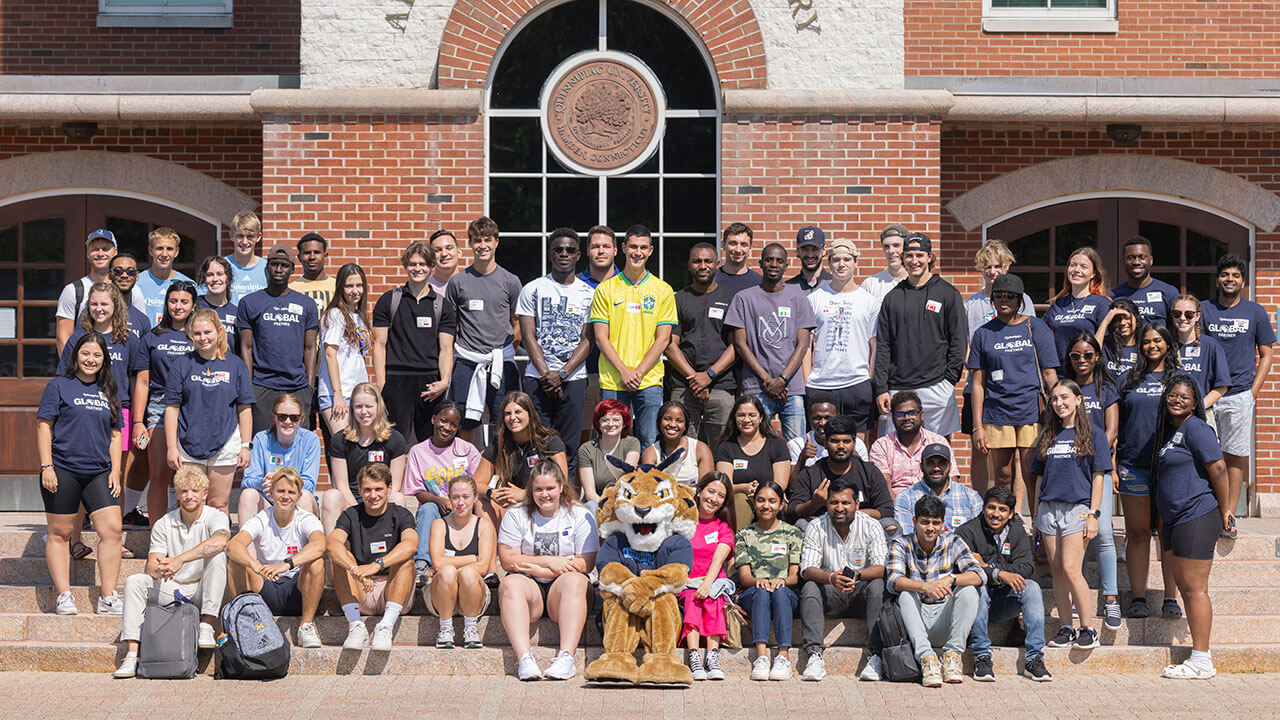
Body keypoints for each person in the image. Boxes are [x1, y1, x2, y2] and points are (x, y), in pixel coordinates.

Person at [112, 466, 229, 678]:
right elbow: (151, 567)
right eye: (183, 491)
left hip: (205, 587)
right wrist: (161, 568)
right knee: (135, 581)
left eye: (195, 491)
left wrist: (178, 560)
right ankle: (131, 655)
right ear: (177, 495)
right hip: (174, 587)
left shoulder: (216, 517)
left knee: (218, 554)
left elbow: (220, 541)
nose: (189, 496)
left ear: (205, 494)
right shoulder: (164, 523)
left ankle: (207, 625)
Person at [1150, 375, 1231, 679]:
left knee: (1195, 589)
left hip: (1196, 514)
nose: (1177, 400)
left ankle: (1202, 660)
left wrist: (1226, 511)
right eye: (1172, 395)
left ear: (1195, 402)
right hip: (1174, 519)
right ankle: (1198, 657)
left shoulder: (1196, 428)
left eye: (1184, 397)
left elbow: (1219, 468)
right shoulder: (1172, 432)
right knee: (1186, 587)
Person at [37, 332, 124, 616]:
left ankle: (108, 596)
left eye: (97, 355)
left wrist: (116, 471)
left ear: (104, 360)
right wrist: (46, 466)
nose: (91, 359)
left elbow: (114, 436)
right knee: (60, 533)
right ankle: (64, 594)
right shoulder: (59, 386)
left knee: (112, 530)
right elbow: (44, 427)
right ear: (76, 356)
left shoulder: (109, 389)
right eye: (86, 353)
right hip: (62, 469)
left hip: (98, 471)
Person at [497, 459, 598, 681]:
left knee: (576, 580)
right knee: (510, 583)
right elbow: (507, 561)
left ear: (561, 486)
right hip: (529, 587)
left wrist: (535, 566)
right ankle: (524, 658)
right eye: (538, 489)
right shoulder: (516, 514)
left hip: (563, 591)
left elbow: (584, 564)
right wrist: (550, 563)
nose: (545, 495)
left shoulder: (580, 514)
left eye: (550, 488)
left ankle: (566, 657)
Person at [967, 273, 1059, 508]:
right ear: (992, 299)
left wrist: (1061, 410)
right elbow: (977, 383)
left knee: (1031, 473)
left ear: (1020, 299)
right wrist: (977, 427)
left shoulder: (1035, 326)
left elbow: (1049, 374)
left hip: (1031, 410)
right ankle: (1005, 524)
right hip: (997, 412)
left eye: (1010, 296)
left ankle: (1038, 527)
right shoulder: (983, 333)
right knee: (1003, 475)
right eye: (999, 295)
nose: (1004, 300)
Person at [1030, 380, 1109, 652]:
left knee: (1072, 568)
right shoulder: (1047, 435)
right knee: (1057, 571)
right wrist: (1036, 515)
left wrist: (1093, 514)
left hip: (1077, 507)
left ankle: (1088, 628)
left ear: (1078, 400)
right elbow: (1039, 478)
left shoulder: (1094, 434)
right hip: (1049, 509)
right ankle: (1066, 627)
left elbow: (1098, 477)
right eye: (1054, 399)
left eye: (1064, 397)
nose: (1059, 403)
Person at [1201, 253, 1275, 539]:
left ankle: (1229, 515)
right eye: (1225, 274)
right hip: (1207, 395)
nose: (1229, 279)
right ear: (1217, 278)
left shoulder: (1255, 311)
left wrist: (1253, 392)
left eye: (1235, 275)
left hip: (1239, 394)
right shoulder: (1205, 310)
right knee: (1204, 454)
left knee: (1234, 455)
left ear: (1243, 281)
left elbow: (1267, 353)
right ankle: (1206, 511)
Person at [588, 224, 677, 449]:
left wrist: (637, 373)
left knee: (649, 441)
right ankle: (614, 485)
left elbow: (663, 339)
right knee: (612, 441)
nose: (638, 252)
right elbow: (600, 338)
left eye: (643, 247)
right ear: (624, 248)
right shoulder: (605, 289)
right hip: (613, 379)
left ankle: (646, 484)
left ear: (650, 251)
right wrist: (624, 372)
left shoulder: (663, 290)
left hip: (648, 380)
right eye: (633, 247)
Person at [961, 240, 1037, 495]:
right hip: (980, 388)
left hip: (1014, 391)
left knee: (1017, 456)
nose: (992, 271)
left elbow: (1029, 344)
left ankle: (1013, 508)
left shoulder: (1023, 299)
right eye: (987, 267)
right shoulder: (971, 304)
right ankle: (980, 503)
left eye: (998, 266)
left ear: (1007, 267)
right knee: (979, 448)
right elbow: (966, 346)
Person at [873, 232, 967, 438]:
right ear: (903, 258)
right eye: (909, 255)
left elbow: (958, 340)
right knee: (897, 452)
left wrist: (949, 381)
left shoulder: (948, 294)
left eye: (919, 255)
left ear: (930, 257)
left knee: (939, 452)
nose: (914, 261)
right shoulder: (893, 298)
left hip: (937, 386)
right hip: (898, 388)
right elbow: (883, 346)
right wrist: (881, 388)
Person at [1118, 322, 1182, 619]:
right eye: (1146, 341)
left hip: (1170, 466)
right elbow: (1115, 423)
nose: (1152, 345)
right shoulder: (1129, 378)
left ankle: (1171, 597)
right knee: (1138, 532)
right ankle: (1139, 597)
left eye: (1158, 340)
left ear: (1168, 343)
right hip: (1133, 465)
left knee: (1168, 531)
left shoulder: (1180, 379)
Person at [886, 494, 984, 687]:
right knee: (905, 593)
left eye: (935, 523)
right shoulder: (900, 544)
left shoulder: (953, 541)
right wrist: (925, 586)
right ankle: (927, 659)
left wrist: (951, 578)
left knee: (969, 590)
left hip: (944, 619)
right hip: (915, 622)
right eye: (925, 522)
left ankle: (952, 656)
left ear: (942, 524)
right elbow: (893, 580)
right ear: (914, 521)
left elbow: (979, 574)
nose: (930, 528)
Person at [797, 475, 888, 682]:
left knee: (878, 585)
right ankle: (814, 655)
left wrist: (857, 575)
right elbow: (807, 569)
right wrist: (830, 578)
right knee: (810, 586)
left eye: (845, 503)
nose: (839, 508)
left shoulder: (871, 525)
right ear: (827, 504)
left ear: (857, 504)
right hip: (831, 593)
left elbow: (882, 567)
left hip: (861, 592)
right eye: (834, 502)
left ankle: (876, 656)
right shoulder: (816, 526)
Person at [162, 308, 253, 513]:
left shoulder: (236, 365)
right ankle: (189, 545)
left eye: (207, 332)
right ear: (191, 335)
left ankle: (218, 546)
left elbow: (245, 408)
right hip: (188, 444)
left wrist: (246, 445)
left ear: (219, 331)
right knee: (189, 504)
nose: (203, 338)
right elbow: (172, 408)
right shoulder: (182, 364)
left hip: (225, 442)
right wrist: (171, 447)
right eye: (197, 333)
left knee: (218, 504)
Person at [955, 486, 1050, 682]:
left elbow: (1026, 567)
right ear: (983, 508)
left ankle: (1034, 659)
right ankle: (981, 655)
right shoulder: (966, 532)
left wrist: (993, 570)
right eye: (992, 508)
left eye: (1002, 509)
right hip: (972, 603)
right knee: (977, 585)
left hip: (1002, 602)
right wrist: (1000, 573)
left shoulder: (1017, 532)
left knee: (1031, 587)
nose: (996, 514)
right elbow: (969, 569)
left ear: (1011, 513)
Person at [725, 243, 817, 441]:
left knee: (797, 446)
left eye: (779, 261)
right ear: (760, 263)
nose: (774, 264)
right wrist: (768, 380)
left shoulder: (799, 300)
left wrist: (782, 380)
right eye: (769, 260)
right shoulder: (743, 299)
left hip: (791, 389)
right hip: (756, 387)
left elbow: (803, 345)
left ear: (786, 265)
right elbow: (741, 344)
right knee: (753, 443)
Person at [516, 228, 593, 467]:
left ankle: (565, 497)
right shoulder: (533, 288)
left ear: (579, 255)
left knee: (569, 445)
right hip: (537, 378)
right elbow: (528, 336)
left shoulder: (588, 293)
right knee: (536, 443)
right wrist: (546, 374)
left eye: (570, 250)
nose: (564, 254)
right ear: (550, 253)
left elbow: (588, 340)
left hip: (573, 379)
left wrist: (561, 374)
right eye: (558, 249)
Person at [226, 467, 326, 648]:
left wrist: (286, 565)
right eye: (280, 491)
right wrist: (255, 565)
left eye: (291, 492)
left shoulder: (306, 518)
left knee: (317, 562)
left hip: (297, 589)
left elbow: (320, 545)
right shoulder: (262, 518)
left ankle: (306, 626)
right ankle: (242, 620)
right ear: (271, 493)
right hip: (266, 586)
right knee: (236, 561)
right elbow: (233, 546)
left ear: (298, 495)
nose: (285, 496)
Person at [443, 216, 523, 441]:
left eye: (487, 240)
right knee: (464, 421)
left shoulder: (510, 281)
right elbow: (452, 325)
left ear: (496, 242)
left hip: (501, 362)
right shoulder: (458, 282)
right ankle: (466, 471)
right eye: (477, 241)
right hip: (467, 362)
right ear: (470, 244)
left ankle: (501, 471)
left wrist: (506, 352)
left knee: (505, 421)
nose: (482, 246)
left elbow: (517, 324)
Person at [1064, 331, 1122, 629]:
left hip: (1098, 469)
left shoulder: (1106, 388)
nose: (1082, 360)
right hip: (1071, 472)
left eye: (1088, 355)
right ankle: (1078, 596)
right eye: (1076, 355)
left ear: (1097, 356)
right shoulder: (1066, 388)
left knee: (1102, 533)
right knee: (1076, 536)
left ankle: (1111, 599)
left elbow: (1112, 430)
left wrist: (1098, 458)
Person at [372, 241, 456, 445]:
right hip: (396, 381)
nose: (417, 269)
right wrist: (383, 384)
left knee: (430, 445)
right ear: (405, 266)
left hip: (430, 384)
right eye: (412, 264)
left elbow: (446, 349)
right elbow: (379, 345)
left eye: (422, 264)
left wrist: (444, 382)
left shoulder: (442, 306)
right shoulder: (389, 301)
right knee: (394, 444)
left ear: (431, 267)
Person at [327, 463, 417, 652]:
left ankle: (385, 627)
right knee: (339, 558)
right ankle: (356, 627)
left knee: (406, 560)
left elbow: (410, 544)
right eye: (367, 490)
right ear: (359, 490)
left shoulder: (401, 514)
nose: (373, 495)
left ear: (389, 489)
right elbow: (333, 544)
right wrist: (355, 570)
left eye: (378, 489)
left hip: (393, 590)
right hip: (361, 588)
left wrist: (376, 565)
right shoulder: (351, 515)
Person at [236, 244, 320, 434]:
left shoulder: (306, 304)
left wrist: (308, 388)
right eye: (274, 264)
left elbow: (310, 348)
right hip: (262, 385)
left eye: (284, 265)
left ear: (292, 269)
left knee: (297, 444)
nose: (279, 269)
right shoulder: (249, 303)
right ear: (267, 267)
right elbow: (246, 347)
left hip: (297, 386)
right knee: (260, 444)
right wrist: (249, 389)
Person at [805, 238, 879, 446]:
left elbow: (874, 346)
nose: (841, 264)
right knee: (819, 445)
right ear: (828, 263)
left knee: (858, 445)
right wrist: (806, 381)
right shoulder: (815, 299)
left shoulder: (869, 301)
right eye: (836, 259)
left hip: (856, 383)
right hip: (820, 384)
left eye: (847, 259)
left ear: (856, 262)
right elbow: (806, 346)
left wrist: (869, 381)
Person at [133, 281, 197, 523]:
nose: (178, 307)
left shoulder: (199, 335)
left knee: (189, 477)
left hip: (194, 407)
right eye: (173, 301)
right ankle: (157, 538)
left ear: (193, 305)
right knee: (159, 475)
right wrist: (139, 421)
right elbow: (142, 382)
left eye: (184, 302)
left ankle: (187, 534)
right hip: (159, 407)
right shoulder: (151, 337)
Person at [666, 242, 736, 448]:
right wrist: (695, 378)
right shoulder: (678, 299)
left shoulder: (731, 299)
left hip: (721, 386)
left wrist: (709, 375)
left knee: (723, 448)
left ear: (717, 264)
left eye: (708, 261)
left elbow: (736, 347)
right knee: (681, 447)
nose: (702, 266)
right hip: (683, 386)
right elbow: (670, 345)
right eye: (697, 261)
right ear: (689, 265)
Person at [403, 402, 482, 583]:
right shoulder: (418, 451)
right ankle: (422, 563)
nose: (447, 428)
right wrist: (439, 501)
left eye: (454, 425)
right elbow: (417, 491)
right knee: (427, 508)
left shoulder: (467, 449)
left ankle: (481, 558)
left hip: (464, 505)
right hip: (436, 508)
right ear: (433, 419)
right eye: (444, 421)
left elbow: (476, 483)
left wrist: (458, 502)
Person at [734, 481, 803, 681]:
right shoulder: (744, 535)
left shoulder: (793, 533)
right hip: (753, 592)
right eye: (761, 500)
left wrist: (780, 581)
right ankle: (761, 657)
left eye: (772, 501)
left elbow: (794, 575)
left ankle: (783, 656)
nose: (766, 505)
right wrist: (761, 580)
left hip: (785, 592)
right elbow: (745, 577)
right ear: (754, 503)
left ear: (781, 505)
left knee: (779, 591)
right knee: (762, 591)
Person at [320, 383, 408, 535]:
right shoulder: (340, 440)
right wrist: (359, 513)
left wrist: (375, 508)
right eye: (359, 406)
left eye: (369, 406)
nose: (364, 411)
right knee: (331, 496)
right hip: (351, 502)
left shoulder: (395, 439)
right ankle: (333, 554)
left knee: (398, 498)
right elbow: (341, 485)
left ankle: (392, 554)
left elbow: (393, 485)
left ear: (378, 407)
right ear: (352, 409)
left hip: (381, 500)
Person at [786, 415, 896, 535]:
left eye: (846, 441)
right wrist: (814, 504)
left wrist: (852, 513)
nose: (841, 446)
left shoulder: (869, 471)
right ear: (825, 444)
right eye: (835, 441)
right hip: (823, 528)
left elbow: (886, 510)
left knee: (890, 526)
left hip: (863, 528)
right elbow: (792, 511)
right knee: (801, 526)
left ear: (854, 443)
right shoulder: (811, 473)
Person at [108, 253, 153, 528]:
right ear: (110, 274)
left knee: (121, 469)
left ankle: (118, 518)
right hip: (96, 402)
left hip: (125, 405)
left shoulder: (142, 321)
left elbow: (142, 374)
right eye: (118, 271)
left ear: (137, 276)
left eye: (130, 271)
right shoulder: (94, 312)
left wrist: (139, 416)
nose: (124, 275)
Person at [476, 392, 569, 526]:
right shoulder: (499, 443)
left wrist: (525, 494)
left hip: (543, 502)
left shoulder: (549, 441)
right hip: (512, 504)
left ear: (529, 414)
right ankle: (493, 545)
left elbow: (563, 484)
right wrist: (492, 493)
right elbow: (475, 484)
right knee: (481, 502)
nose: (512, 417)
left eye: (518, 412)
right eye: (508, 414)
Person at [427, 475, 496, 649]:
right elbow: (437, 563)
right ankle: (445, 629)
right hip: (442, 589)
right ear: (449, 499)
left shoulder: (484, 526)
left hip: (472, 589)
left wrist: (451, 564)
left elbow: (483, 567)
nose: (460, 502)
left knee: (466, 573)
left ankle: (471, 628)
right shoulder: (439, 524)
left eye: (465, 497)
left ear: (475, 498)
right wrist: (471, 558)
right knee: (449, 572)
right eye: (455, 497)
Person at [679, 472, 736, 681]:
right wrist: (687, 581)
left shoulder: (723, 527)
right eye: (711, 491)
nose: (714, 499)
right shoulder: (683, 522)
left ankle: (712, 656)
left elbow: (718, 561)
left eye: (721, 495)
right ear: (699, 490)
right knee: (691, 598)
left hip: (714, 579)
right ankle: (694, 655)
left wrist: (707, 583)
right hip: (687, 580)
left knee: (713, 597)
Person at [238, 393, 322, 519]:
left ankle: (303, 538)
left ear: (301, 418)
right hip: (269, 503)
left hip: (297, 501)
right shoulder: (260, 439)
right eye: (282, 417)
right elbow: (247, 481)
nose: (288, 422)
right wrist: (264, 482)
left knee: (304, 496)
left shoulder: (311, 440)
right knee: (248, 495)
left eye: (294, 418)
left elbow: (309, 484)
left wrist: (279, 482)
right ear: (274, 416)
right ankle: (246, 539)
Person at [715, 396, 790, 528]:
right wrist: (744, 488)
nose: (746, 420)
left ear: (761, 418)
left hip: (770, 498)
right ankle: (739, 545)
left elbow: (781, 484)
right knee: (739, 501)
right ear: (735, 418)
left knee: (769, 501)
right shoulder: (726, 447)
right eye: (741, 415)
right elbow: (724, 484)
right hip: (739, 501)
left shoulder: (777, 445)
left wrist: (760, 493)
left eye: (752, 415)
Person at [869, 391, 959, 498]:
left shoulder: (938, 441)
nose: (907, 418)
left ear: (921, 415)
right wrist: (901, 509)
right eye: (900, 414)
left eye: (912, 413)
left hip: (935, 505)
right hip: (896, 507)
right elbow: (883, 488)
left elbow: (952, 479)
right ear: (893, 419)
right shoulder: (881, 446)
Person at [318, 263, 372, 437]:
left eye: (359, 285)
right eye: (349, 286)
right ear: (340, 287)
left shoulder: (359, 317)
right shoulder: (334, 314)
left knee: (359, 449)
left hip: (358, 391)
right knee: (344, 445)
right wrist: (338, 395)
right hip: (338, 393)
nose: (354, 290)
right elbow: (330, 354)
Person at [578, 225, 618, 445]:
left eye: (606, 246)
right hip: (583, 373)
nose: (601, 251)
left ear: (615, 250)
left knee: (618, 435)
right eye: (595, 246)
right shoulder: (575, 285)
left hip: (618, 374)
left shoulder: (628, 284)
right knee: (582, 436)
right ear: (587, 251)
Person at [893, 443, 982, 533]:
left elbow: (978, 536)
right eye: (930, 463)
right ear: (921, 466)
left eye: (942, 463)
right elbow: (907, 537)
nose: (936, 468)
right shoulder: (906, 498)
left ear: (950, 466)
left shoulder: (971, 497)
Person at [1043, 247, 1111, 367]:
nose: (1076, 270)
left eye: (1083, 267)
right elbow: (1041, 335)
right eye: (1073, 265)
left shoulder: (1102, 304)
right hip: (1061, 374)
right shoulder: (1058, 304)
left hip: (1088, 372)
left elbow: (1105, 344)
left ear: (1093, 273)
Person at [56, 229, 117, 353]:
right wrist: (71, 371)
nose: (100, 253)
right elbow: (64, 337)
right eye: (95, 249)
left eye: (105, 249)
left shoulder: (129, 290)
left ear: (115, 252)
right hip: (85, 368)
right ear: (88, 253)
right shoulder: (73, 290)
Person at [788, 400, 870, 486]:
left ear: (837, 416)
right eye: (817, 418)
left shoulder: (856, 444)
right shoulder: (797, 444)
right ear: (809, 418)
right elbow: (792, 489)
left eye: (828, 418)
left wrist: (854, 457)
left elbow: (866, 482)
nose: (822, 423)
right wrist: (802, 459)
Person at [577, 399, 642, 508]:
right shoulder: (586, 449)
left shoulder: (632, 443)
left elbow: (626, 478)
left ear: (624, 422)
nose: (611, 424)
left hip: (624, 499)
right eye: (605, 420)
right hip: (597, 502)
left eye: (616, 420)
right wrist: (608, 509)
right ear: (598, 423)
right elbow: (590, 494)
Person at [1170, 294, 1229, 411]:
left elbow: (1222, 386)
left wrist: (1198, 408)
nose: (1182, 318)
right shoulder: (1166, 345)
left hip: (1200, 414)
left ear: (1197, 316)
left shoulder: (1210, 345)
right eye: (1177, 314)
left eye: (1189, 314)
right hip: (1172, 414)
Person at [640, 401, 714, 488]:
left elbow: (706, 488)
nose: (672, 424)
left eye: (679, 421)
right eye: (667, 419)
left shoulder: (700, 449)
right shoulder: (650, 453)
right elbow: (650, 488)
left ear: (685, 426)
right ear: (659, 422)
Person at [131, 227, 194, 327]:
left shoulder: (188, 284)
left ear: (176, 252)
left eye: (169, 249)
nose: (164, 254)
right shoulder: (136, 283)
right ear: (150, 250)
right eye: (159, 248)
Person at [1110, 235, 1179, 324]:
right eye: (1130, 258)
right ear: (1123, 261)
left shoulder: (1169, 293)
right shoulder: (1113, 296)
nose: (1136, 262)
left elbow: (1176, 330)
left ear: (1151, 260)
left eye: (1142, 257)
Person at [195, 255, 239, 357]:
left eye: (220, 274)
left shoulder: (236, 312)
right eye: (210, 275)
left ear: (228, 278)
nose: (215, 279)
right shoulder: (195, 306)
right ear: (204, 278)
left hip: (228, 368)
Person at [225, 210, 268, 304]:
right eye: (240, 236)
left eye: (250, 237)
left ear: (259, 237)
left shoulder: (267, 268)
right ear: (231, 236)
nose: (245, 242)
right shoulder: (221, 266)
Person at [858, 224, 909, 303]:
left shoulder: (918, 282)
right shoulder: (870, 284)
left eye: (896, 245)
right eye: (886, 246)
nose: (891, 251)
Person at [291, 232, 336, 315]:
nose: (312, 257)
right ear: (299, 257)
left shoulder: (338, 287)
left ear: (325, 256)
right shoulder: (291, 290)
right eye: (307, 253)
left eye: (317, 252)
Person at [1098, 297, 1142, 381]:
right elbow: (1092, 352)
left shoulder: (1143, 347)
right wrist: (1105, 322)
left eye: (1127, 318)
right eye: (1117, 319)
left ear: (1137, 320)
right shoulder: (1106, 346)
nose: (1122, 323)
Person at [715, 222, 764, 294]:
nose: (738, 250)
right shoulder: (712, 280)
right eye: (733, 243)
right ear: (723, 245)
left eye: (744, 244)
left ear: (750, 248)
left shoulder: (760, 283)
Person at [785, 226, 832, 295]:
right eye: (805, 249)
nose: (810, 255)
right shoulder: (787, 288)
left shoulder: (835, 285)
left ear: (824, 250)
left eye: (815, 249)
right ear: (798, 251)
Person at [428, 229, 462, 296]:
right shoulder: (424, 287)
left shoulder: (471, 284)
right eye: (437, 250)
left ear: (459, 252)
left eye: (449, 248)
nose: (444, 254)